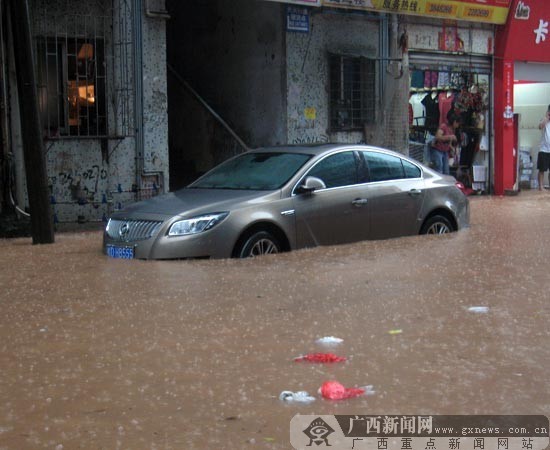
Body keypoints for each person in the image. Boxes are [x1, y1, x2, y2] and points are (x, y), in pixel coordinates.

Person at [537, 105, 550, 190]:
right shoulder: (544, 120)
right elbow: (540, 126)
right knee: (542, 169)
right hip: (544, 150)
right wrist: (547, 117)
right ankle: (541, 186)